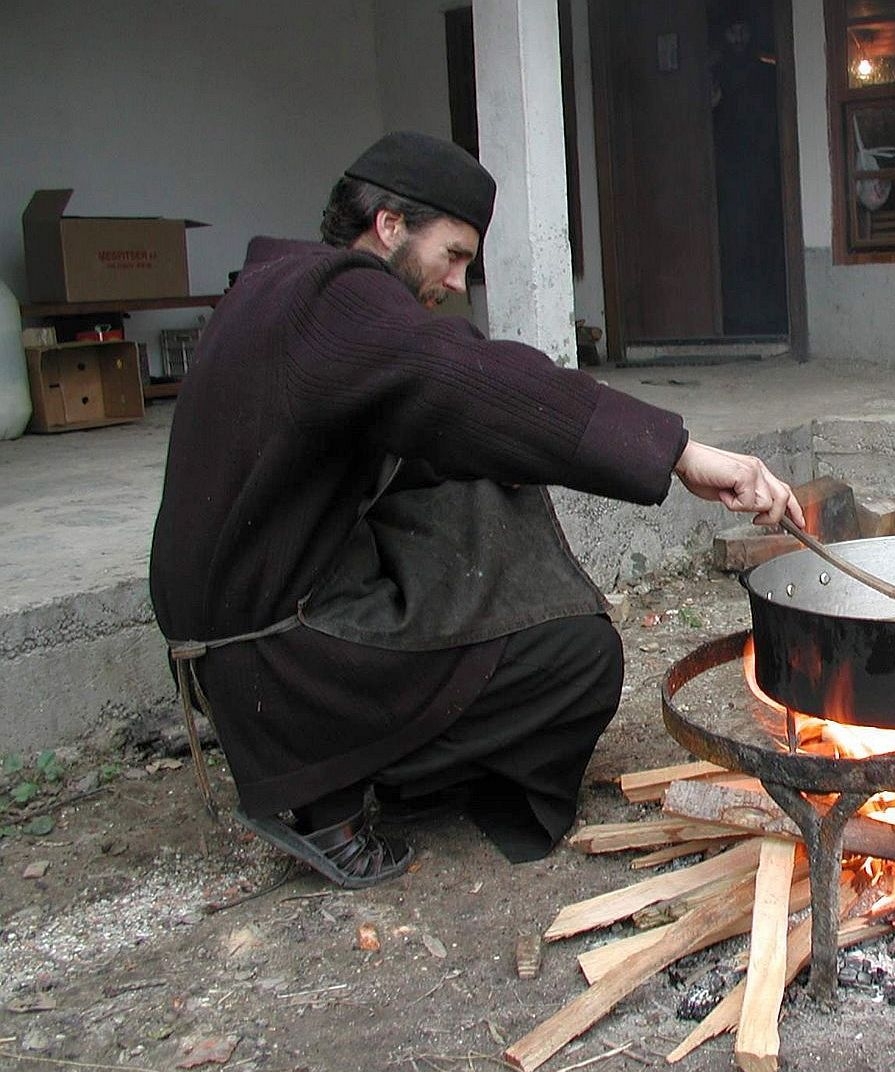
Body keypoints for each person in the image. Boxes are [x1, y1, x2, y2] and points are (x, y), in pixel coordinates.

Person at [149, 131, 803, 888]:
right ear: (389, 226)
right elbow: (468, 379)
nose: (457, 281)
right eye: (453, 254)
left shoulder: (282, 286)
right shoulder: (338, 299)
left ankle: (352, 752)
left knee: (493, 477)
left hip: (244, 629)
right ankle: (320, 789)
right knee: (577, 657)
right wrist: (681, 453)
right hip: (277, 653)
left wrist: (521, 451)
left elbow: (440, 416)